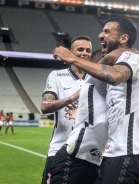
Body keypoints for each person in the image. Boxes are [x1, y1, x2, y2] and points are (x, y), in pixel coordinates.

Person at [53, 17, 139, 184]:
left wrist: (73, 58)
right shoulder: (126, 65)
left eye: (107, 32)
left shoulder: (134, 60)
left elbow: (114, 76)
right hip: (116, 152)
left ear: (124, 38)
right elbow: (97, 81)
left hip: (130, 151)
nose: (100, 35)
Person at [41, 35, 92, 184]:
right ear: (70, 52)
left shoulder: (97, 79)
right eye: (80, 49)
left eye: (88, 50)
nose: (85, 53)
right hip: (59, 147)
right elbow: (45, 106)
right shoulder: (57, 76)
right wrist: (72, 97)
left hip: (89, 152)